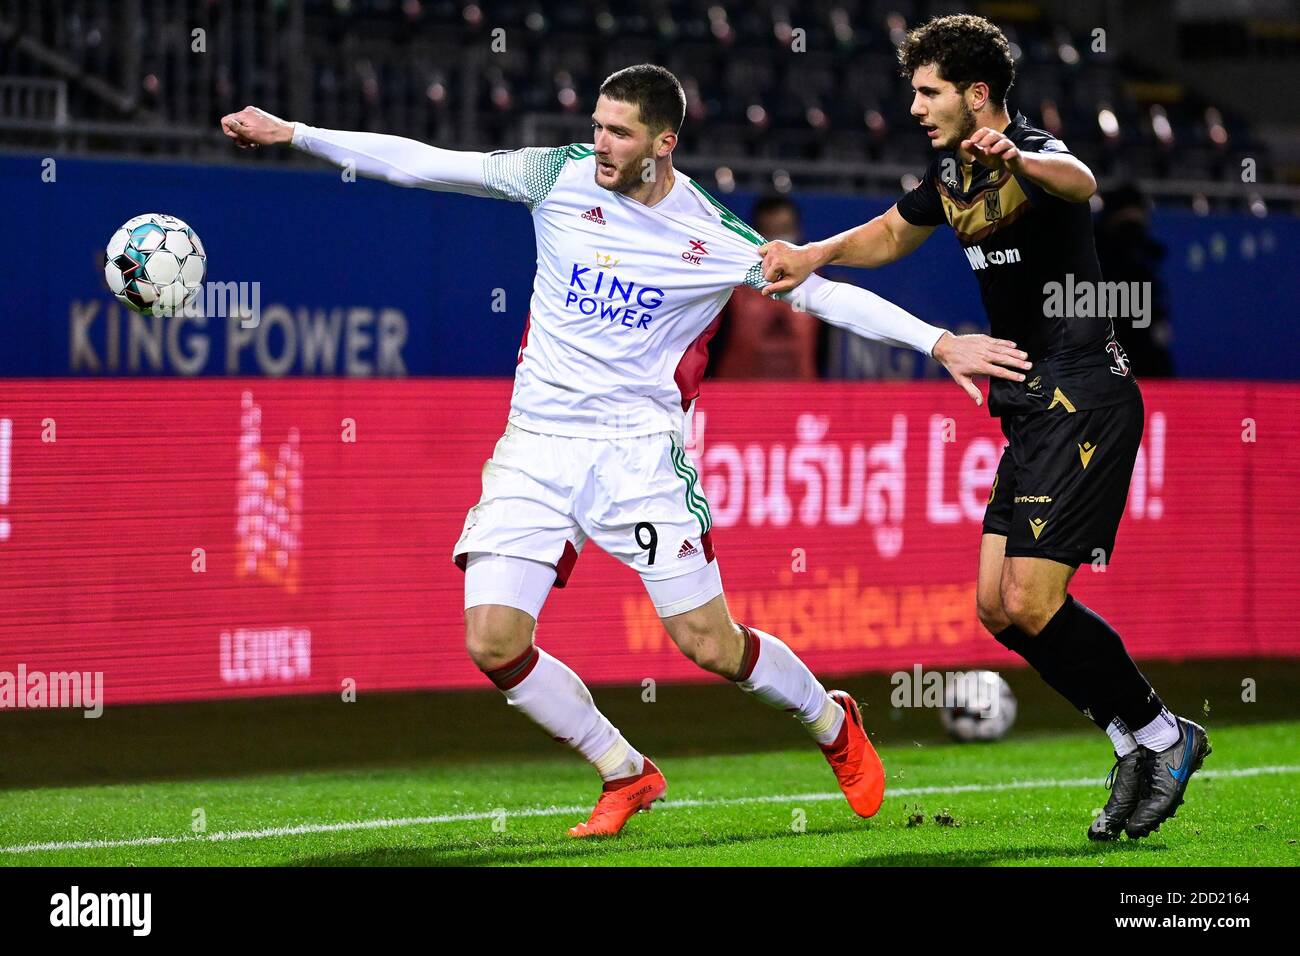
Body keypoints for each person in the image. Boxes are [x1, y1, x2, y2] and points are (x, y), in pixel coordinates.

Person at [221, 63, 1030, 838]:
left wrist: (935, 341)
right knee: (493, 641)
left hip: (638, 457)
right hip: (536, 446)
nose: (599, 143)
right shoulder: (556, 176)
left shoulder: (709, 235)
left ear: (663, 143)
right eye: (597, 127)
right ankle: (624, 770)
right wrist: (295, 131)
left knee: (709, 644)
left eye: (618, 132)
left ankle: (830, 720)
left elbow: (819, 292)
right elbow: (426, 164)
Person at [758, 15, 1208, 841]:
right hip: (1031, 403)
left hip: (1086, 395)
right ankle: (1131, 739)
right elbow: (894, 232)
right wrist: (813, 254)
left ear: (977, 94)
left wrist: (1020, 156)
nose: (918, 107)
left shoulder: (1031, 154)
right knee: (997, 611)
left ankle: (1162, 735)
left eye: (929, 92)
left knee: (1033, 602)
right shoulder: (950, 170)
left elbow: (1080, 182)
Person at [707, 196, 825, 379]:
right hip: (736, 396)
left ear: (797, 231)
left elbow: (825, 350)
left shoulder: (818, 285)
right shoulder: (730, 284)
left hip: (802, 397)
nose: (780, 243)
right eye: (772, 232)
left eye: (785, 230)